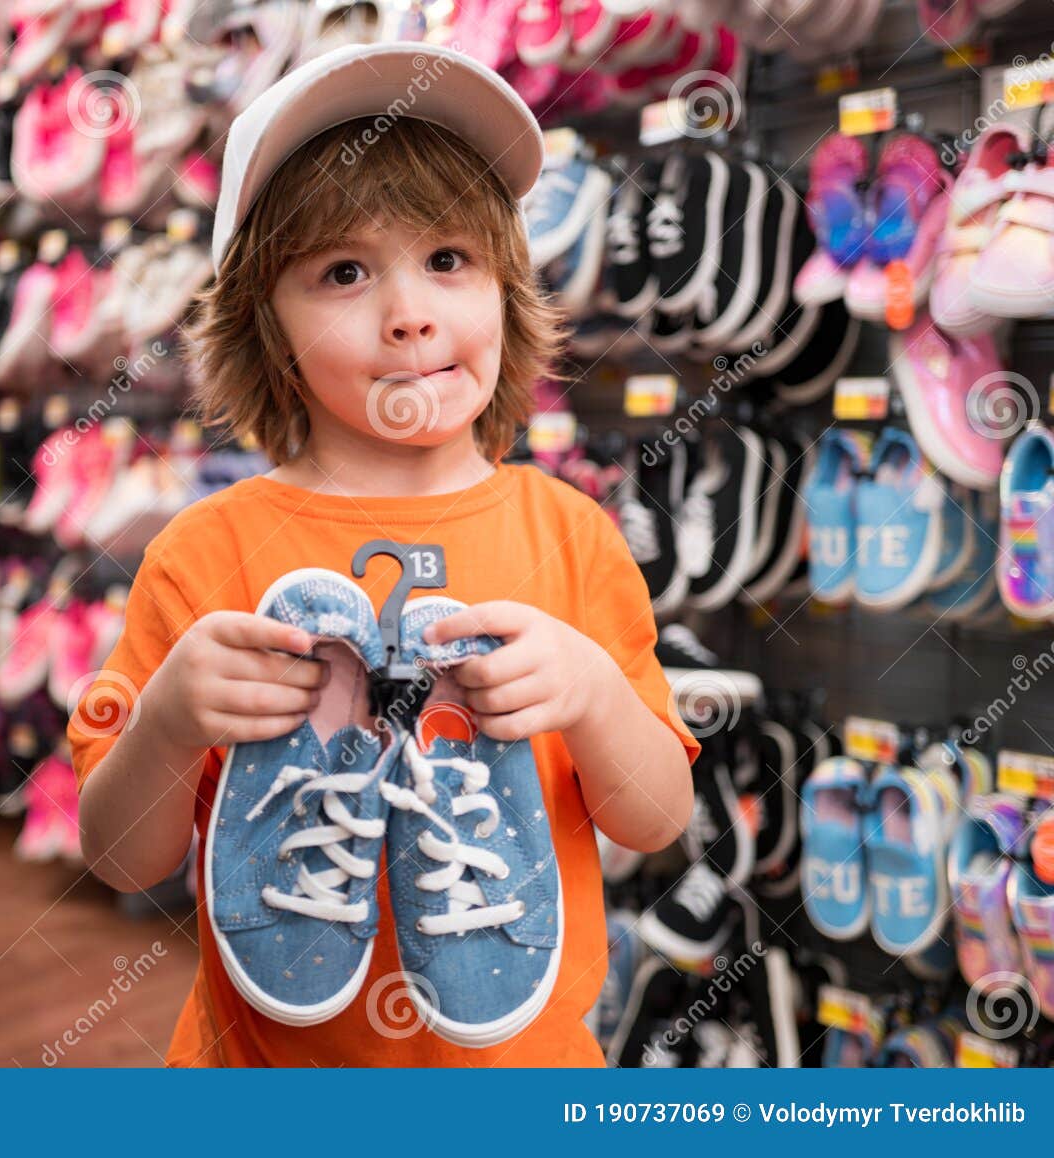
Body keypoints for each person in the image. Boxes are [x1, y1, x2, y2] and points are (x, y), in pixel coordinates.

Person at [70, 42, 698, 1067]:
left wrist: (589, 693)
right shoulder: (207, 550)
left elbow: (654, 819)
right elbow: (119, 857)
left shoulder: (571, 535)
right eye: (343, 272)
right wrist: (168, 721)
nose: (409, 312)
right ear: (265, 326)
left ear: (504, 290)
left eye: (448, 260)